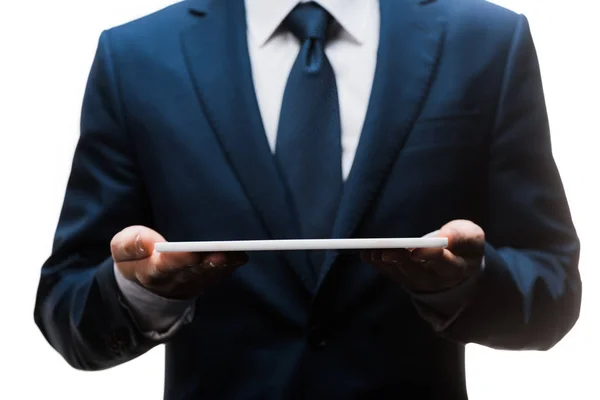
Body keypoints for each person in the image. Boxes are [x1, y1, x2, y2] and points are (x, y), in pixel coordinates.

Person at [34, 0, 582, 398]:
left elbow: (553, 285)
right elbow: (66, 304)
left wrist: (464, 287)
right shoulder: (135, 56)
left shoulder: (487, 43)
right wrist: (140, 293)